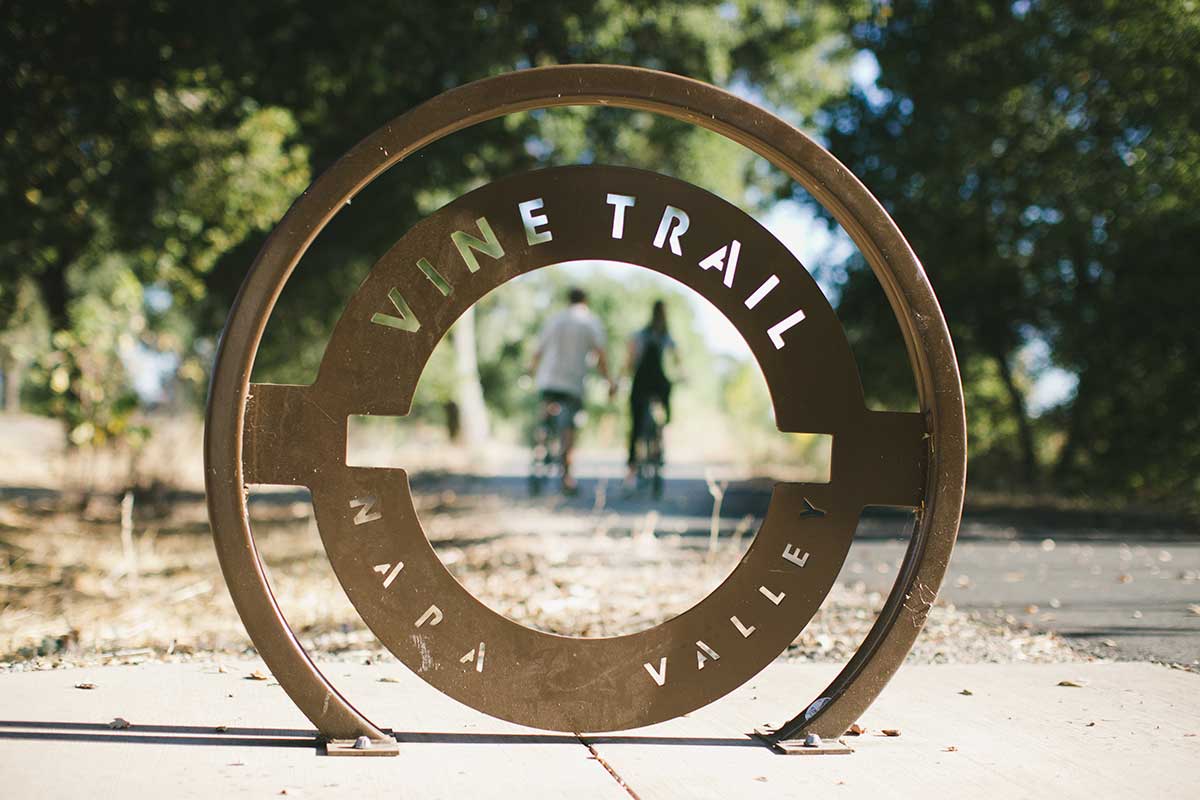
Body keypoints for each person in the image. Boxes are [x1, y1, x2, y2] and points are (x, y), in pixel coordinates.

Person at [530, 287, 615, 493]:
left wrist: (530, 372)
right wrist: (608, 381)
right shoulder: (590, 321)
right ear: (585, 300)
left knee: (545, 414)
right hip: (572, 384)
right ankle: (567, 478)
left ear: (568, 300)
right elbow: (600, 354)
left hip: (548, 380)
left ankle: (539, 450)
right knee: (568, 429)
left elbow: (538, 351)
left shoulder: (554, 320)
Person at [625, 299, 679, 487]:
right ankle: (662, 432)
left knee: (636, 426)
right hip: (658, 384)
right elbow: (677, 359)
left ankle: (631, 471)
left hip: (640, 383)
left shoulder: (640, 335)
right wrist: (682, 375)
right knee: (665, 411)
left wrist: (625, 374)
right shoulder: (666, 336)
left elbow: (630, 361)